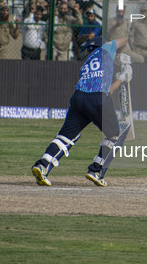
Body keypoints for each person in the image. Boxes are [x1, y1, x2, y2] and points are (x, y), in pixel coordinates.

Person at [31, 36, 131, 187]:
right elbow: (124, 39)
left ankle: (42, 165)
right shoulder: (106, 49)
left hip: (78, 98)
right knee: (116, 134)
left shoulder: (85, 64)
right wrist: (122, 75)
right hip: (97, 99)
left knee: (65, 137)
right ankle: (96, 170)